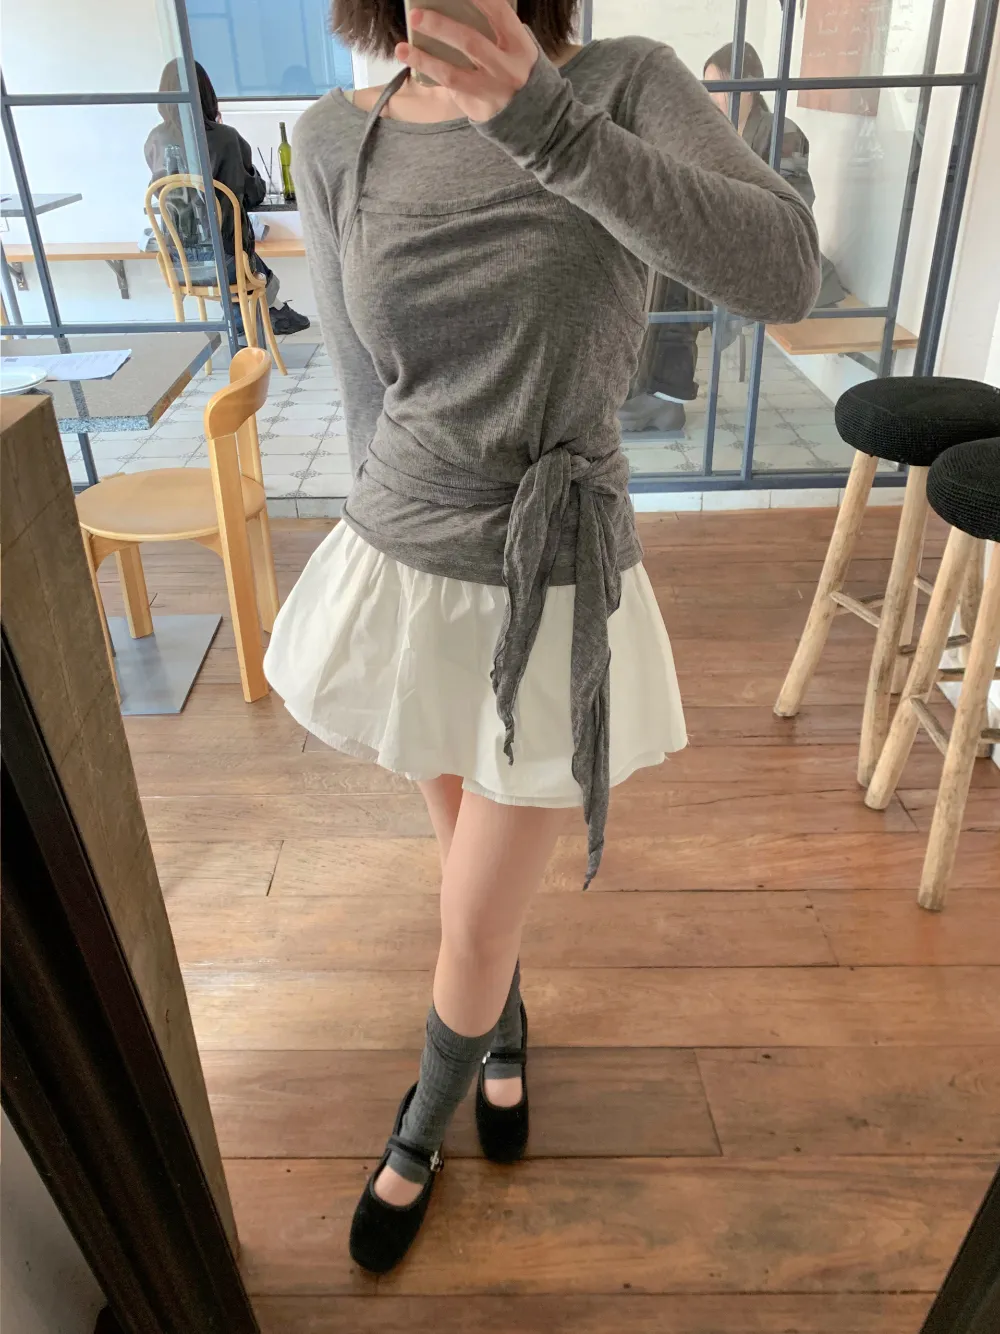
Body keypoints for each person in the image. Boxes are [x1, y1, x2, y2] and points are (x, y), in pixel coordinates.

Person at [263, 0, 819, 1273]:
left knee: (472, 913)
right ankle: (501, 1036)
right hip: (408, 566)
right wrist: (374, 559)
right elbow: (360, 383)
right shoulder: (333, 136)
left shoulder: (624, 87)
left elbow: (784, 270)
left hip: (556, 568)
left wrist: (547, 128)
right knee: (465, 872)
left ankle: (418, 1128)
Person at [620, 39, 845, 433]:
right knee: (657, 260)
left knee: (677, 277)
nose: (712, 98)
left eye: (721, 88)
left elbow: (792, 213)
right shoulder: (717, 135)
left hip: (779, 264)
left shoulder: (783, 133)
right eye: (708, 88)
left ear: (750, 85)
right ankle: (649, 389)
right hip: (734, 253)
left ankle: (666, 398)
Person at [144, 60, 311, 337]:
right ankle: (263, 317)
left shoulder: (155, 139)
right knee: (239, 261)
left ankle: (257, 317)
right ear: (207, 94)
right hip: (227, 263)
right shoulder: (226, 137)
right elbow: (252, 195)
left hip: (178, 262)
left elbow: (162, 193)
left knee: (233, 257)